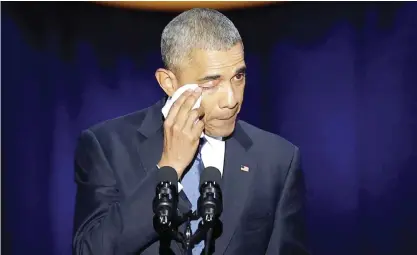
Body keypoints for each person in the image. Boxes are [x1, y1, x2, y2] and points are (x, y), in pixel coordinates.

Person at [72, 8, 309, 255]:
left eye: (238, 77)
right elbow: (89, 250)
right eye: (210, 82)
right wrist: (170, 167)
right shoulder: (107, 146)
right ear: (169, 83)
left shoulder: (278, 159)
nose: (231, 99)